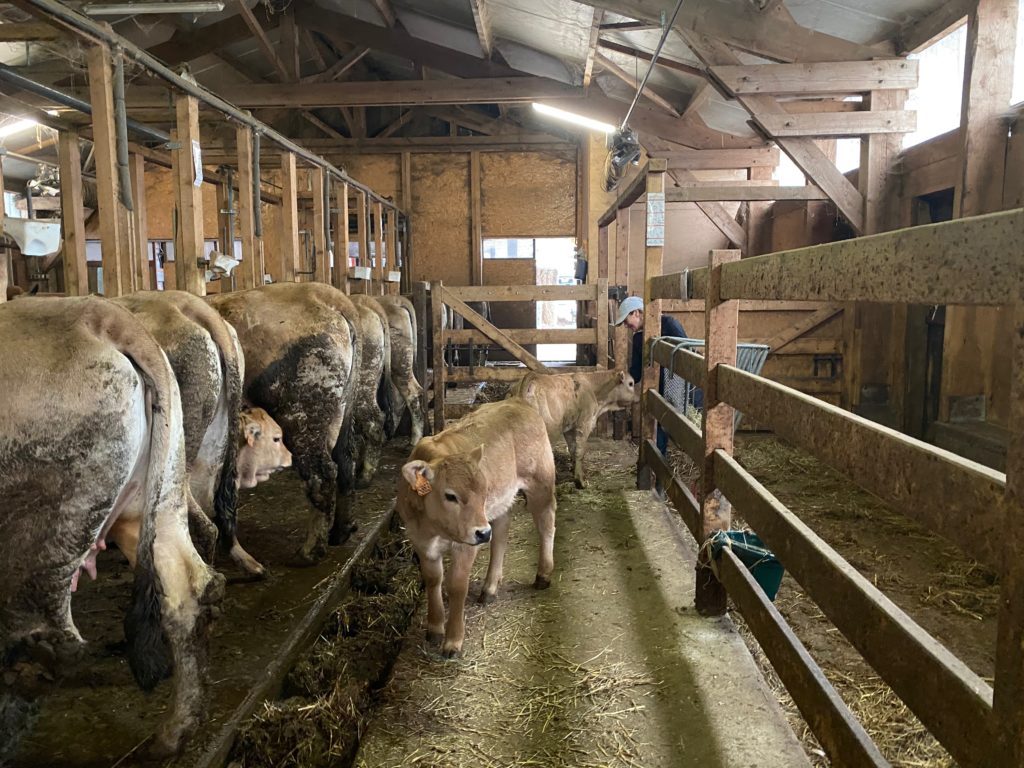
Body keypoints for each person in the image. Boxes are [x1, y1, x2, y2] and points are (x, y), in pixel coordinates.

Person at [614, 295, 699, 460]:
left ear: (636, 313)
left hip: (684, 387)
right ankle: (659, 464)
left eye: (626, 320)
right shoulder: (638, 338)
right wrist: (622, 380)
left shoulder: (669, 324)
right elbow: (636, 372)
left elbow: (688, 354)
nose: (626, 325)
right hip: (661, 389)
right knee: (660, 421)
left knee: (690, 426)